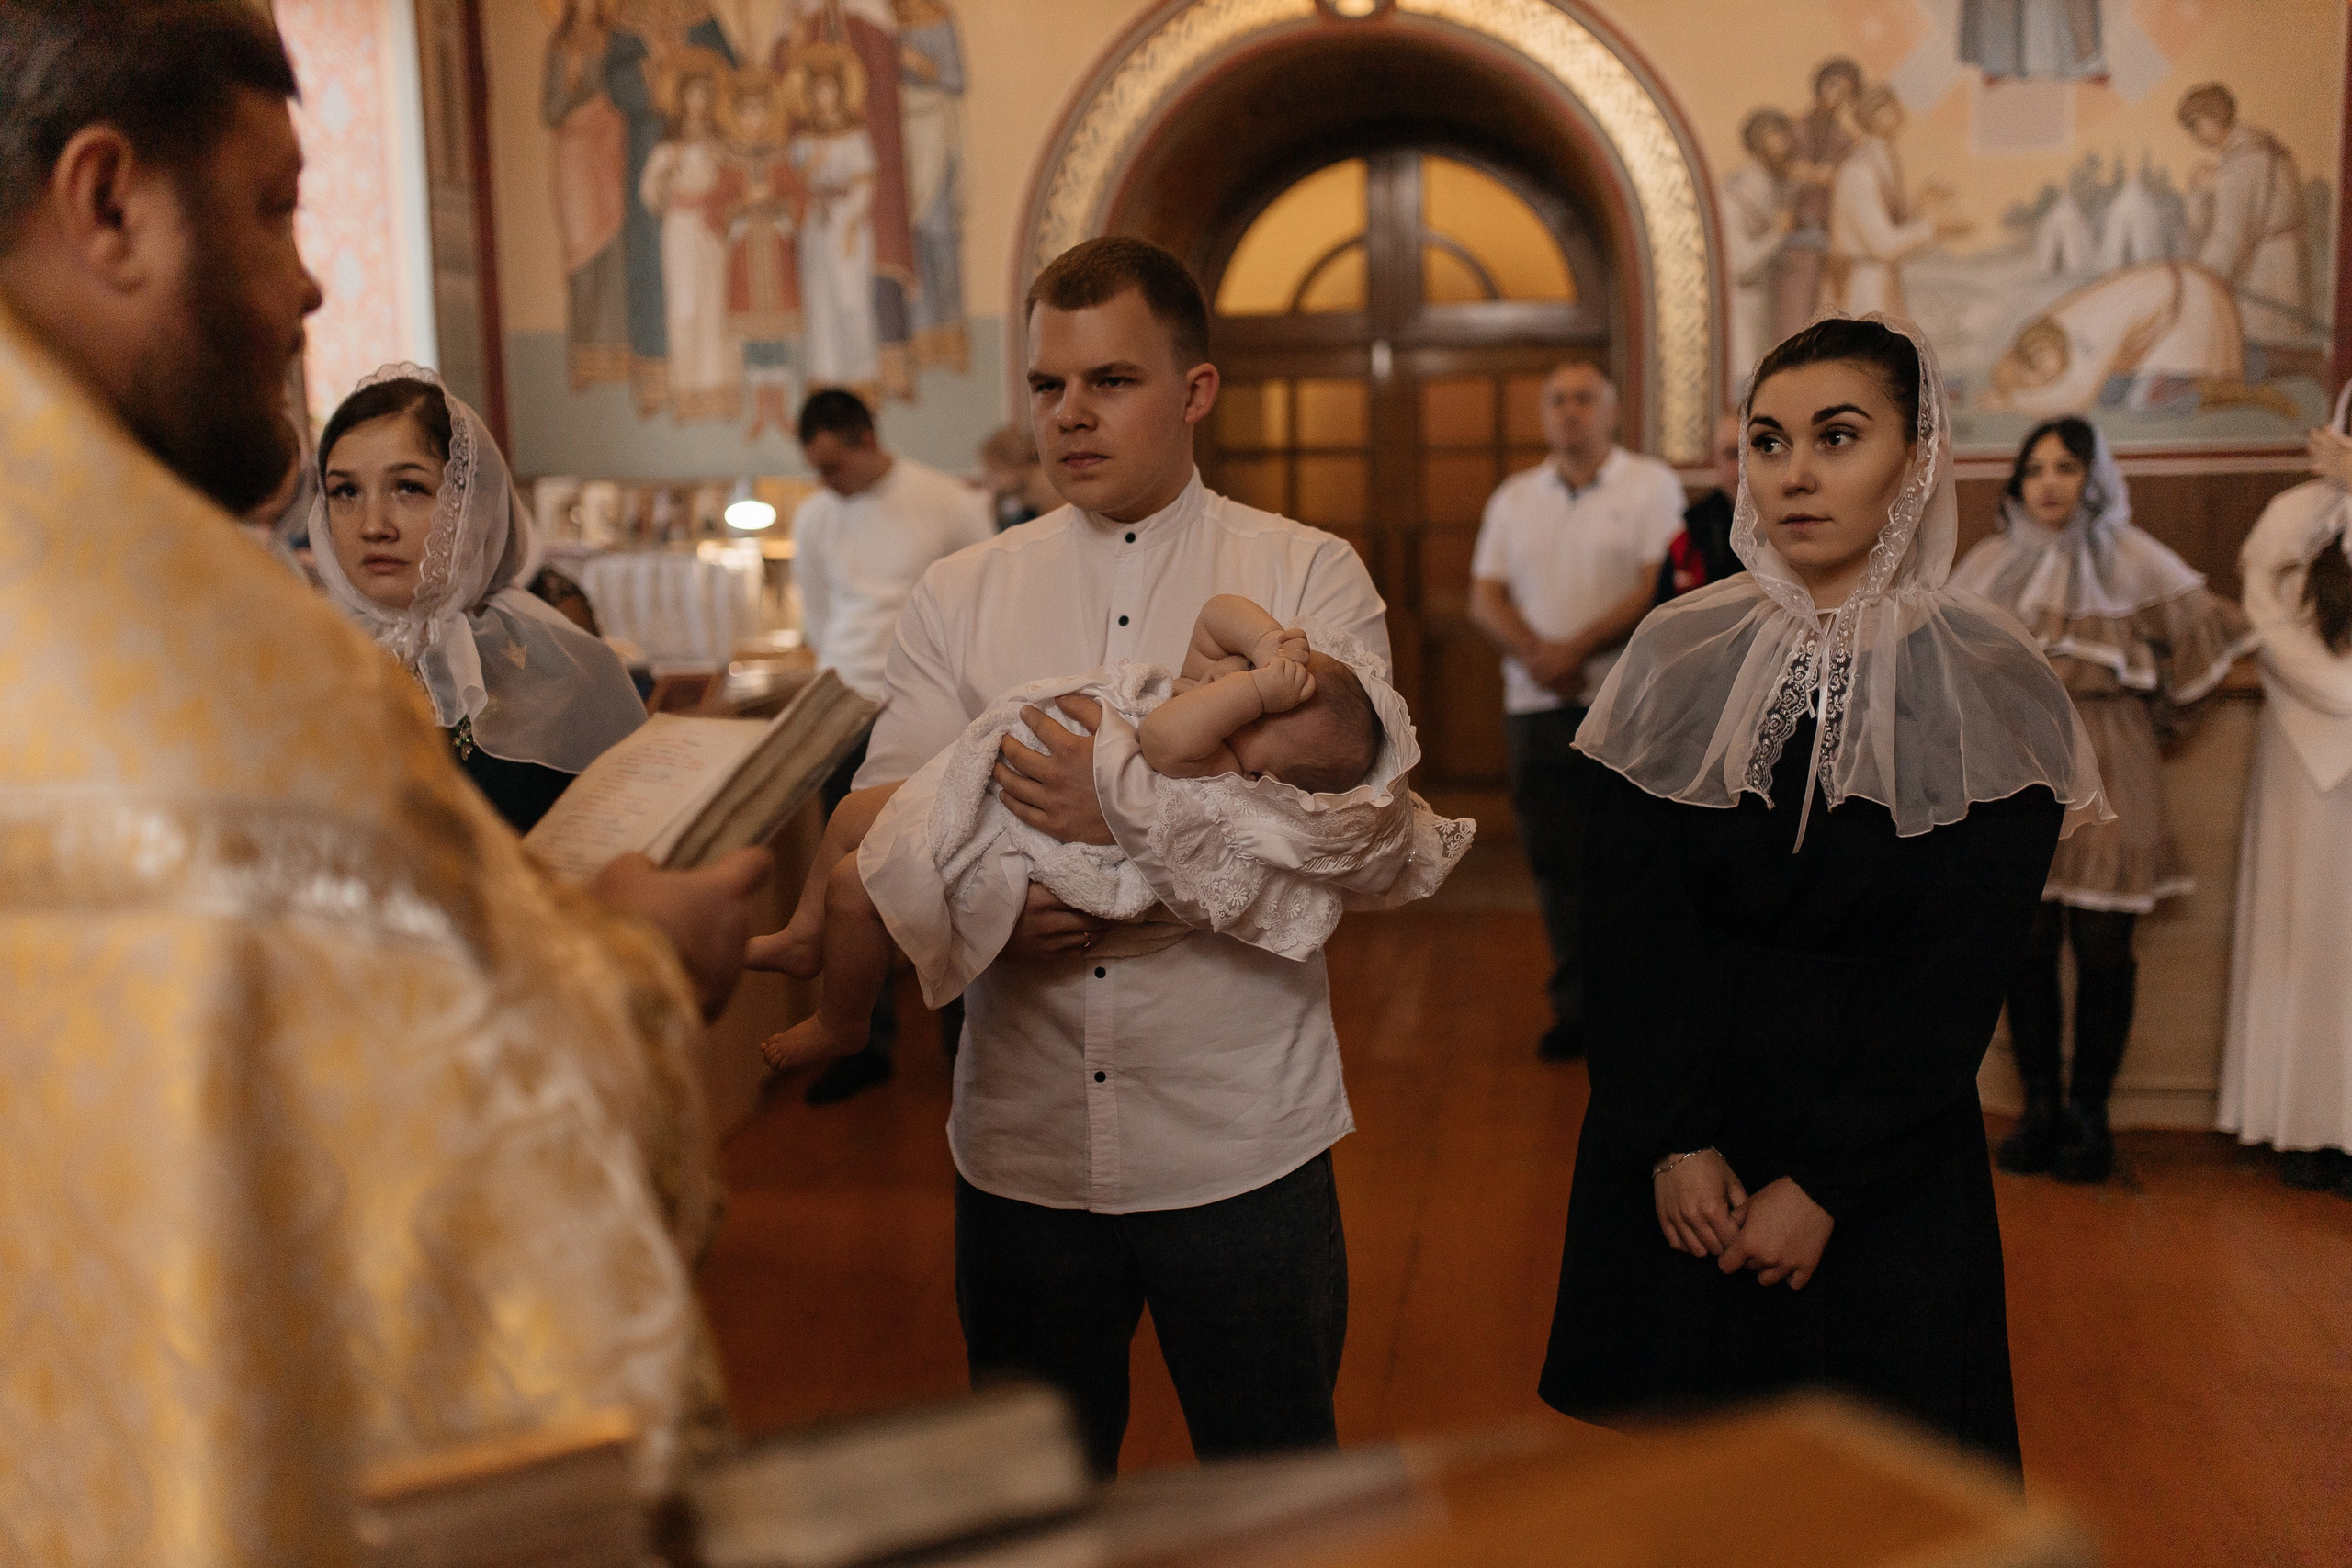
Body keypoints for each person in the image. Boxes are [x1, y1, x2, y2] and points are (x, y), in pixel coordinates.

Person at [0, 5, 771, 1556]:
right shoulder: (227, 676)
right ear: (105, 203)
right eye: (272, 205)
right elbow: (483, 1152)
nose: (309, 278)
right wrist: (634, 959)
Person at [831, 236, 1388, 1476]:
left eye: (1112, 381)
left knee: (1278, 1491)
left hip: (1240, 1136)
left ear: (1196, 390)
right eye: (1046, 385)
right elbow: (888, 815)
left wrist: (1118, 818)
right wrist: (995, 898)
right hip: (1022, 1145)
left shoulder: (1303, 575)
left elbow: (1347, 832)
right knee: (1036, 1504)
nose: (1069, 414)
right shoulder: (961, 590)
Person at [1540, 315, 2105, 1467]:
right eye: (1768, 440)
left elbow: (1960, 969)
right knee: (1687, 1496)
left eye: (1836, 437)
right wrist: (1672, 1140)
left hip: (1880, 1149)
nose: (1794, 472)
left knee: (1875, 1497)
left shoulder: (1998, 683)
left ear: (1917, 459)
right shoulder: (1674, 654)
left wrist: (1827, 1184)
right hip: (1683, 1133)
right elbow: (1629, 929)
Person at [754, 595, 1464, 1068]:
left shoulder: (1214, 772)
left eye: (1260, 731)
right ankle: (802, 934)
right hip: (999, 791)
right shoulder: (1219, 692)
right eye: (1255, 691)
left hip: (1022, 841)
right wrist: (1266, 641)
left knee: (859, 884)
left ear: (1275, 790)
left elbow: (1158, 737)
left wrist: (1256, 691)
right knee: (850, 816)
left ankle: (843, 1021)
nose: (1239, 712)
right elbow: (1217, 616)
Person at [1953, 417, 2253, 1183]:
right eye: (2036, 468)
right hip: (2019, 767)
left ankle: (2091, 1112)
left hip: (2116, 762)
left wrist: (2153, 724)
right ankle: (2041, 1106)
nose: (2050, 482)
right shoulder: (1986, 565)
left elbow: (2206, 639)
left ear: (2096, 478)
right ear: (2017, 483)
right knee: (2026, 942)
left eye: (2067, 466)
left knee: (2104, 944)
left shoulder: (2135, 559)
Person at [311, 365, 650, 832]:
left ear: (472, 504)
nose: (373, 526)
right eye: (345, 491)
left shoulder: (563, 668)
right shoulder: (298, 661)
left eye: (409, 488)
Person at [1467, 361, 1684, 1061]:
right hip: (1535, 708)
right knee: (1555, 865)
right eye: (1557, 399)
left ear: (1612, 410)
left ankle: (1639, 1010)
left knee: (1632, 863)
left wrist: (1576, 650)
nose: (1570, 410)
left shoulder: (1651, 485)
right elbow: (1484, 597)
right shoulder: (1514, 497)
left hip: (1624, 706)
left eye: (1584, 398)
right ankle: (1578, 1010)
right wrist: (1540, 653)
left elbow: (1657, 587)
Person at [789, 386, 990, 1100]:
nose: (825, 483)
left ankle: (966, 1036)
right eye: (816, 469)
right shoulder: (815, 517)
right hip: (842, 705)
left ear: (868, 438)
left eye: (835, 466)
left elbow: (983, 607)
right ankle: (864, 1037)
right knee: (853, 872)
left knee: (951, 864)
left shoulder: (945, 501)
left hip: (932, 708)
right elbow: (816, 611)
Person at [2219, 389, 2352, 1198]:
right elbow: (2267, 622)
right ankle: (2301, 1123)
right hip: (2308, 749)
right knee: (2305, 938)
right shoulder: (2294, 515)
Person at [2180, 82, 2312, 375]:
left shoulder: (2243, 161)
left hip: (2267, 268)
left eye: (2195, 125)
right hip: (2278, 257)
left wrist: (2202, 280)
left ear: (2214, 118)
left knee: (2258, 350)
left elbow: (2230, 236)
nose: (2194, 136)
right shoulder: (2261, 148)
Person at [640, 58, 740, 423]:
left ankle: (721, 394)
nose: (697, 103)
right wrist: (669, 175)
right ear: (682, 100)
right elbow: (650, 192)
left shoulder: (721, 142)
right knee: (684, 309)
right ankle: (686, 395)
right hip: (680, 228)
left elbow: (732, 186)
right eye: (692, 96)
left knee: (717, 308)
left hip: (712, 230)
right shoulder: (669, 145)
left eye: (704, 96)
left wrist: (716, 200)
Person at [785, 41, 880, 400]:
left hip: (846, 223)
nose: (825, 96)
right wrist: (809, 169)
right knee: (820, 298)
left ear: (840, 92)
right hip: (816, 224)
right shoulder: (804, 138)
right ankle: (824, 376)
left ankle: (861, 375)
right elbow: (793, 182)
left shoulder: (855, 133)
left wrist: (853, 222)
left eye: (830, 89)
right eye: (818, 90)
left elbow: (865, 180)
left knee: (851, 298)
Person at [717, 66, 806, 440]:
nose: (754, 120)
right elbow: (717, 208)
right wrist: (740, 207)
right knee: (754, 345)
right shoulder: (730, 162)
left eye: (760, 111)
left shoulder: (781, 158)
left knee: (778, 344)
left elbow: (800, 200)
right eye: (746, 112)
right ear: (736, 117)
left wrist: (778, 204)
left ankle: (781, 410)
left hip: (776, 254)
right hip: (747, 261)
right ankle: (759, 412)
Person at [1822, 86, 1962, 318]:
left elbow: (1887, 216)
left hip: (1880, 280)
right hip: (1863, 286)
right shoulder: (1859, 170)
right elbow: (1884, 244)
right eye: (1889, 107)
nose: (1899, 111)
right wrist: (1935, 228)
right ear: (1874, 116)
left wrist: (1919, 201)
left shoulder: (1881, 156)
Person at [1779, 57, 1860, 335]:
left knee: (1824, 317)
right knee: (1791, 318)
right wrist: (1811, 175)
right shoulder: (1791, 128)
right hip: (1792, 238)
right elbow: (1780, 174)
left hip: (1828, 238)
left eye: (1846, 93)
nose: (1836, 96)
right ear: (1820, 84)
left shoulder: (1846, 140)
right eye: (1833, 86)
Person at [1723, 108, 1793, 386]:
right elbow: (1740, 265)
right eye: (1776, 137)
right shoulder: (1737, 196)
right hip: (1743, 307)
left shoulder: (1771, 186)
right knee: (1746, 380)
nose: (1786, 145)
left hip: (1762, 302)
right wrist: (1779, 234)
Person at [1655, 413, 1747, 605]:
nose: (1744, 467)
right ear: (1715, 462)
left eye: (1760, 450)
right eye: (1732, 454)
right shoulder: (1689, 538)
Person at [980, 422, 1059, 530]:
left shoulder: (1044, 484)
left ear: (1011, 468)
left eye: (993, 475)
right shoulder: (1016, 493)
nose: (989, 482)